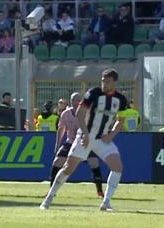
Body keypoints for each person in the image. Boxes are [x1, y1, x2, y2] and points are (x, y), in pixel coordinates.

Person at [41, 69, 128, 211]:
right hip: (85, 135)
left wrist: (111, 135)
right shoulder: (93, 93)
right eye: (103, 81)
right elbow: (80, 114)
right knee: (68, 168)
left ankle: (106, 203)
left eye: (108, 81)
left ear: (115, 83)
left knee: (118, 167)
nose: (104, 84)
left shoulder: (121, 99)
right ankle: (48, 199)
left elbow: (121, 120)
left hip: (103, 138)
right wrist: (86, 135)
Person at [50, 92, 104, 197]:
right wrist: (57, 144)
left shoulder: (88, 112)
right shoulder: (66, 113)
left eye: (78, 100)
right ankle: (52, 190)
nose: (76, 102)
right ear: (70, 102)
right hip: (71, 142)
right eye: (73, 100)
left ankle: (100, 191)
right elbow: (61, 129)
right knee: (57, 162)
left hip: (85, 142)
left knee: (94, 163)